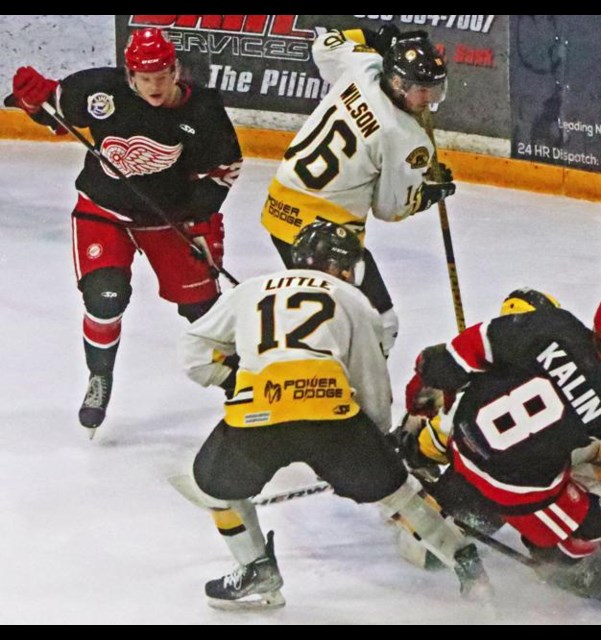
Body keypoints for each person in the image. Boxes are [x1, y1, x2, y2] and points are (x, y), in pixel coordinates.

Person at [177, 219, 489, 609]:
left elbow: (193, 354)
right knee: (398, 493)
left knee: (213, 486)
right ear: (338, 266)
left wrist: (232, 380)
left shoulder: (250, 290)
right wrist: (375, 440)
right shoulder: (355, 300)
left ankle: (256, 567)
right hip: (332, 415)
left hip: (258, 414)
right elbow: (370, 380)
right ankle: (464, 560)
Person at [402, 286, 601, 600]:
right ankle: (561, 564)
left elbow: (455, 355)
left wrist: (427, 374)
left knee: (428, 546)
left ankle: (438, 495)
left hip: (463, 446)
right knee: (597, 518)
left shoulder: (551, 326)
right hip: (517, 492)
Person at [9, 28, 243, 434]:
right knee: (105, 297)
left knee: (203, 312)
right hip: (104, 211)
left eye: (162, 75)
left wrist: (196, 217)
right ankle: (100, 376)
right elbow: (54, 110)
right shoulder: (101, 91)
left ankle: (245, 384)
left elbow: (225, 169)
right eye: (145, 78)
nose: (154, 86)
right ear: (130, 75)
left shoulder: (201, 111)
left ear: (176, 70)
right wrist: (32, 100)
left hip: (168, 219)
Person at [261, 25, 455, 355]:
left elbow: (324, 45)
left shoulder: (363, 65)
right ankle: (347, 395)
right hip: (326, 234)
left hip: (279, 210)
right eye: (420, 90)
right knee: (377, 323)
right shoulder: (406, 137)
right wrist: (425, 193)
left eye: (433, 90)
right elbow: (390, 208)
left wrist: (369, 36)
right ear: (396, 83)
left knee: (334, 317)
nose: (428, 99)